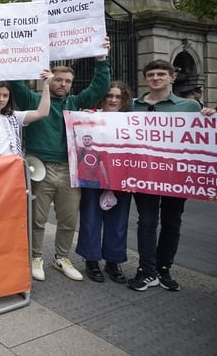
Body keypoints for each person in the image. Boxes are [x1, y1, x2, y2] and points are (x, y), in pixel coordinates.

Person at [9, 37, 111, 282]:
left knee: (68, 219)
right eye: (59, 80)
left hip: (69, 169)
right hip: (39, 167)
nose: (63, 84)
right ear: (49, 79)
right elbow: (15, 83)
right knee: (37, 218)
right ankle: (35, 257)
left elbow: (99, 87)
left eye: (68, 81)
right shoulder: (33, 100)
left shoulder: (75, 102)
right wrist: (24, 53)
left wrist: (101, 59)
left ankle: (61, 257)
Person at [127, 60, 215, 291]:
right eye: (151, 74)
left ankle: (164, 267)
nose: (156, 78)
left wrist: (208, 115)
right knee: (146, 221)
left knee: (172, 221)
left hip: (176, 175)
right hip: (144, 173)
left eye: (161, 74)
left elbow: (202, 136)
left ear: (172, 77)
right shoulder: (134, 105)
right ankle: (147, 269)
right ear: (145, 78)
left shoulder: (190, 106)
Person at [76, 80, 132, 284]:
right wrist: (82, 118)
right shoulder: (89, 115)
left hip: (122, 177)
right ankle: (91, 259)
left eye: (118, 96)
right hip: (93, 177)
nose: (113, 100)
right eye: (109, 95)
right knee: (91, 218)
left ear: (124, 99)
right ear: (103, 97)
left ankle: (113, 261)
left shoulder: (131, 120)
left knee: (118, 221)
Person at [0, 70, 52, 158]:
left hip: (12, 165)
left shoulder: (12, 116)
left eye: (5, 96)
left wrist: (46, 85)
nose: (1, 99)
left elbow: (42, 112)